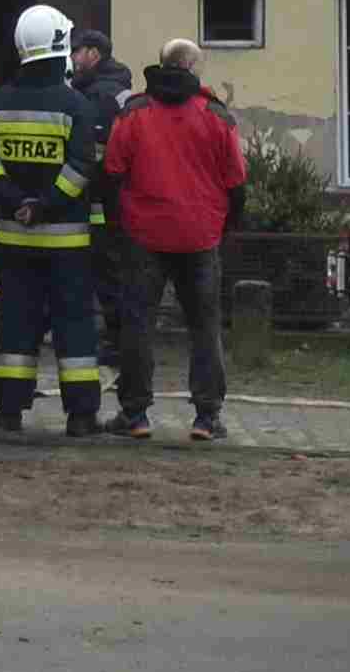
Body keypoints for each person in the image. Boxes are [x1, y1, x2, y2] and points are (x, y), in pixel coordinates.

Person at [0, 4, 104, 436]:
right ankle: (81, 416)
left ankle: (9, 411)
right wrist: (46, 204)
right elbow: (82, 166)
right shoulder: (76, 105)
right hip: (68, 244)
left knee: (16, 324)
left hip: (13, 238)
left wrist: (14, 200)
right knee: (75, 327)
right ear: (61, 43)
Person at [102, 36, 247, 441]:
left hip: (143, 234)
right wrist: (225, 227)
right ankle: (206, 416)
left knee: (137, 325)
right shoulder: (217, 117)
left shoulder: (133, 113)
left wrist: (120, 227)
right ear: (194, 69)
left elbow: (111, 174)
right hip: (200, 236)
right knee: (205, 327)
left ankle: (135, 414)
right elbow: (236, 183)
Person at [69, 29, 140, 419]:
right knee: (113, 277)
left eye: (77, 52)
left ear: (93, 54)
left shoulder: (97, 95)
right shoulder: (119, 89)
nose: (73, 59)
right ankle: (116, 340)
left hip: (98, 202)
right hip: (116, 202)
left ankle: (112, 343)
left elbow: (91, 153)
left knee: (104, 279)